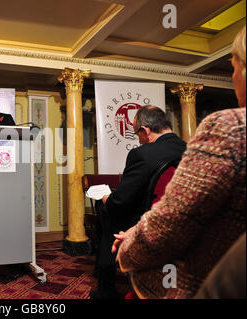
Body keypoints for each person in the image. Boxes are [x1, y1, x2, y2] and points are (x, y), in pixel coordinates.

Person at [112, 26, 246, 299]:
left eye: (232, 67)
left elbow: (171, 225)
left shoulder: (229, 129)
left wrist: (126, 249)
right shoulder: (186, 146)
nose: (232, 76)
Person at [91, 105, 187, 299]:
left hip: (145, 221)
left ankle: (105, 288)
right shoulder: (190, 149)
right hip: (181, 219)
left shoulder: (142, 154)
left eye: (137, 133)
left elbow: (121, 201)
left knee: (106, 209)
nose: (139, 139)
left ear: (146, 130)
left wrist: (107, 198)